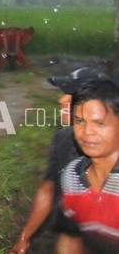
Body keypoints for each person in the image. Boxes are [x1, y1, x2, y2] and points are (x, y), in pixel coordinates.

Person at [9, 67, 108, 254]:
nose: (62, 100)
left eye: (70, 95)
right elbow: (48, 189)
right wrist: (24, 238)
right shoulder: (63, 140)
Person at [55, 79, 119, 253]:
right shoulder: (71, 176)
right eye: (80, 121)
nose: (87, 132)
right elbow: (70, 237)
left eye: (100, 123)